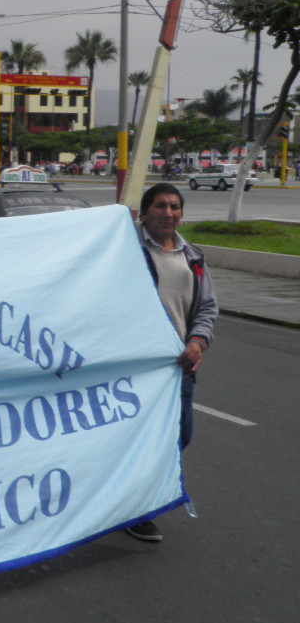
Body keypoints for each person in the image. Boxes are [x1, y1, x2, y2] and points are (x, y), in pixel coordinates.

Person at [131, 183, 218, 543]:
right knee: (137, 440)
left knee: (180, 434)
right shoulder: (126, 253)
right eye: (161, 206)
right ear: (144, 212)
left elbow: (207, 308)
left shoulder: (192, 257)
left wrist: (198, 341)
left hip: (178, 369)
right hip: (136, 368)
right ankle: (137, 510)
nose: (169, 213)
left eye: (175, 207)